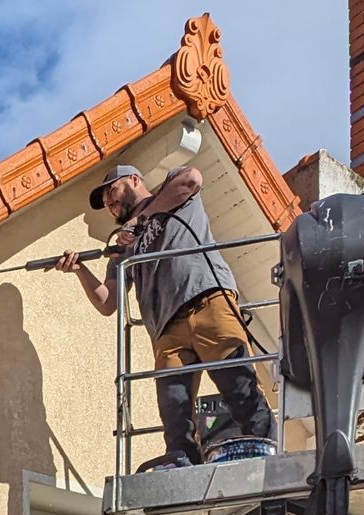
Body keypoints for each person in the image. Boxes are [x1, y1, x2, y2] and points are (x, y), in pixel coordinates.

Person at [56, 162, 275, 470]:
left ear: (135, 179)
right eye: (105, 201)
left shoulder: (170, 192)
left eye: (112, 191)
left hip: (208, 300)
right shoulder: (123, 244)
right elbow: (107, 302)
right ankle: (183, 460)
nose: (109, 202)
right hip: (166, 330)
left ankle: (264, 449)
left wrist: (141, 219)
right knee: (174, 408)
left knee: (239, 385)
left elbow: (193, 178)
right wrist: (79, 269)